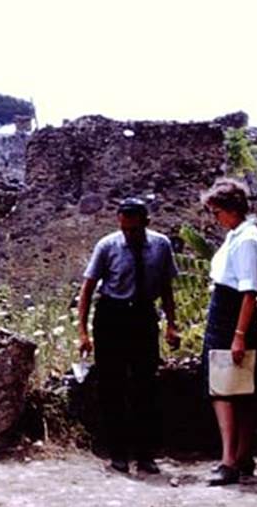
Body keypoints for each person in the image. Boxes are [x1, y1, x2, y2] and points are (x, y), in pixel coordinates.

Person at [76, 197, 181, 475]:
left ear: (146, 223)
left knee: (145, 385)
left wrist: (172, 324)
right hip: (112, 316)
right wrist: (83, 333)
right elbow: (87, 289)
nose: (130, 235)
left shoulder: (161, 246)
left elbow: (167, 288)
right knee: (112, 385)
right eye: (125, 229)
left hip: (143, 317)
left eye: (135, 230)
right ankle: (118, 453)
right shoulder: (107, 246)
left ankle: (145, 454)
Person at [200, 179, 257, 486]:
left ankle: (230, 459)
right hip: (225, 313)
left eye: (217, 212)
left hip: (231, 316)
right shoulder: (236, 235)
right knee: (232, 386)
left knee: (226, 389)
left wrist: (238, 333)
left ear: (230, 210)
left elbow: (248, 291)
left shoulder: (246, 239)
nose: (216, 219)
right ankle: (241, 455)